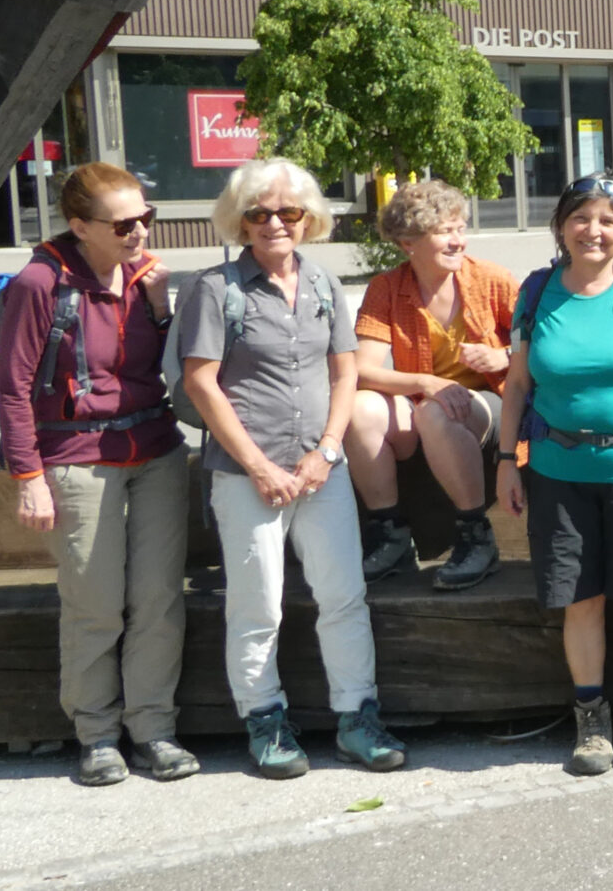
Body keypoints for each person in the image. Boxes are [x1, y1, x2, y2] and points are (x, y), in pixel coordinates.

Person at [177, 157, 405, 779]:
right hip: (247, 475)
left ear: (309, 218)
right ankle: (265, 720)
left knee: (344, 597)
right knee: (258, 607)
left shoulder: (324, 282)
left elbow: (345, 372)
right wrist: (258, 467)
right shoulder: (216, 288)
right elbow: (200, 383)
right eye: (259, 213)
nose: (274, 223)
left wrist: (328, 450)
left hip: (319, 471)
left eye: (288, 211)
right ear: (240, 220)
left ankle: (357, 717)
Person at [0, 162, 195, 786]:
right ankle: (98, 736)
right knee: (96, 606)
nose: (139, 232)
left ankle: (154, 730)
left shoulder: (146, 276)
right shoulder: (41, 282)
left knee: (159, 601)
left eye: (145, 218)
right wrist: (28, 477)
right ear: (80, 226)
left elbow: (169, 366)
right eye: (123, 224)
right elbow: (13, 387)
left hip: (155, 450)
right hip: (77, 458)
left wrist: (160, 307)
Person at [495, 174, 613, 776]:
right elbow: (517, 384)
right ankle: (592, 722)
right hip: (557, 471)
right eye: (580, 217)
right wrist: (507, 461)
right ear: (561, 226)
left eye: (607, 219)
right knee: (580, 602)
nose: (592, 230)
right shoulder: (536, 292)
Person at [347, 179, 517, 590]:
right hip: (425, 405)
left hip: (491, 404)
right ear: (408, 243)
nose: (458, 241)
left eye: (460, 228)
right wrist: (427, 381)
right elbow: (361, 370)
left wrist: (504, 356)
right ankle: (390, 535)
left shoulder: (491, 279)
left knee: (436, 412)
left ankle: (476, 536)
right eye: (444, 231)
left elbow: (545, 342)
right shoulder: (387, 288)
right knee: (359, 408)